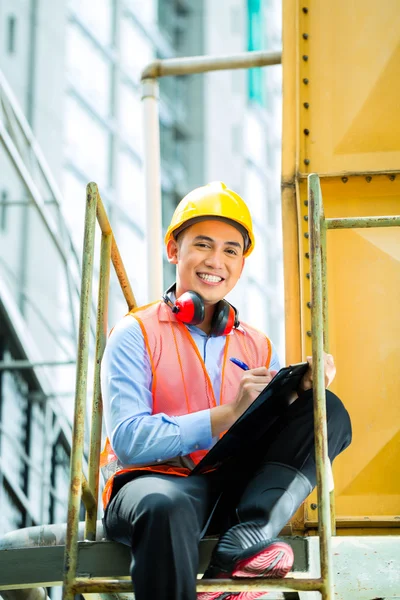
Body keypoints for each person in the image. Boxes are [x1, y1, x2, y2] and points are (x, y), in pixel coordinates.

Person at [100, 181, 352, 600]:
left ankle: (248, 539)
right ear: (173, 250)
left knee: (326, 409)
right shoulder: (134, 333)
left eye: (231, 250)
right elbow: (129, 441)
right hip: (153, 487)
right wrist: (228, 413)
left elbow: (270, 437)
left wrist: (297, 391)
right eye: (203, 245)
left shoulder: (257, 344)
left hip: (228, 490)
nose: (216, 260)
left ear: (241, 264)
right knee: (166, 506)